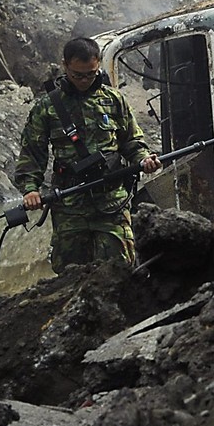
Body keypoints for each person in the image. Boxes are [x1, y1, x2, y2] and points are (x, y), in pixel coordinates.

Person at [16, 37, 162, 272]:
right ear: (65, 66)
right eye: (78, 75)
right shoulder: (47, 107)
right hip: (69, 204)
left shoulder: (114, 101)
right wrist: (30, 189)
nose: (84, 81)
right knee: (69, 273)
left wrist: (144, 159)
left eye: (91, 74)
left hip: (112, 201)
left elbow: (132, 141)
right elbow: (32, 153)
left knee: (121, 269)